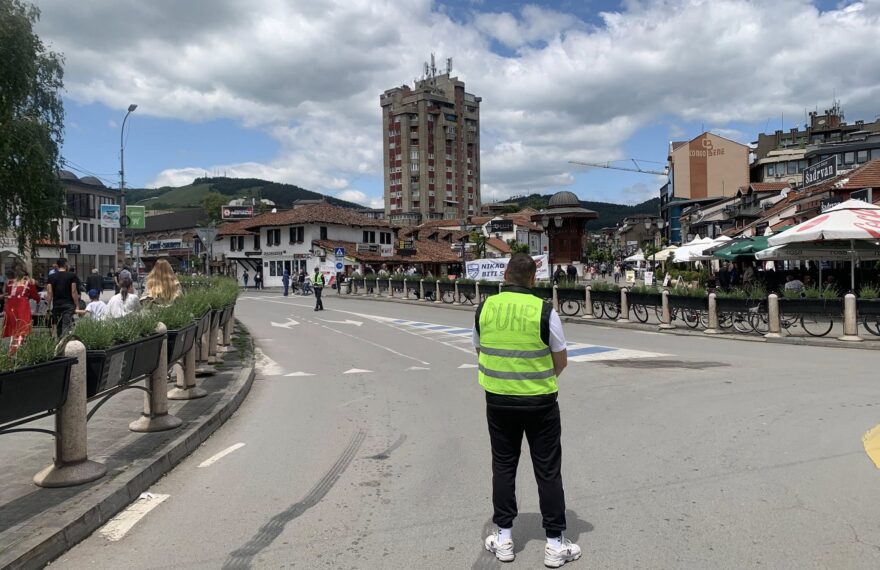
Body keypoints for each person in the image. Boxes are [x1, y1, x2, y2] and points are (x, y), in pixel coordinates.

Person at [474, 254, 579, 567]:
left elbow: (480, 349)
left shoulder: (485, 308)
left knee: (503, 466)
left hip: (498, 401)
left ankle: (504, 538)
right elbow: (561, 360)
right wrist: (539, 379)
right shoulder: (545, 310)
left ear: (505, 275)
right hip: (539, 402)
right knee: (547, 470)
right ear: (534, 279)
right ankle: (555, 544)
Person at [2, 269, 40, 353]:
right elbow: (35, 295)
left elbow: (6, 292)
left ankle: (14, 348)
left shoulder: (9, 283)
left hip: (10, 306)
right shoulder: (28, 283)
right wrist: (38, 299)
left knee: (14, 329)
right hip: (22, 306)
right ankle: (14, 352)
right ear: (25, 276)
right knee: (22, 328)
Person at [46, 258, 81, 337]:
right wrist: (77, 305)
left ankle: (60, 342)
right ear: (65, 264)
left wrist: (48, 306)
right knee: (66, 325)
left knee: (58, 326)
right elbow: (73, 291)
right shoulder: (72, 276)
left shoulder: (51, 277)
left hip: (57, 305)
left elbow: (49, 292)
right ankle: (65, 341)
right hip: (68, 304)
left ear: (58, 265)